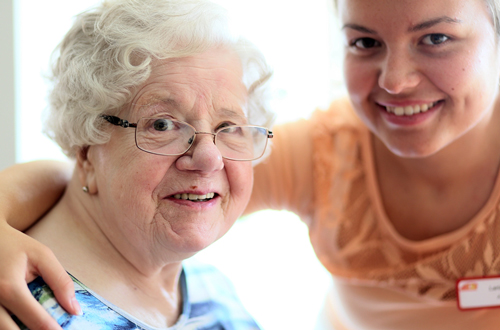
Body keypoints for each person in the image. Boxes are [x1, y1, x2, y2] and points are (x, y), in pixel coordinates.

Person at [2, 0, 500, 329]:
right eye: (161, 124)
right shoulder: (327, 154)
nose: (395, 80)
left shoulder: (211, 290)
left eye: (436, 38)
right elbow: (105, 174)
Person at [0, 0, 276, 329]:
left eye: (229, 127)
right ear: (87, 149)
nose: (209, 158)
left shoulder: (210, 285)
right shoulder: (24, 309)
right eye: (162, 124)